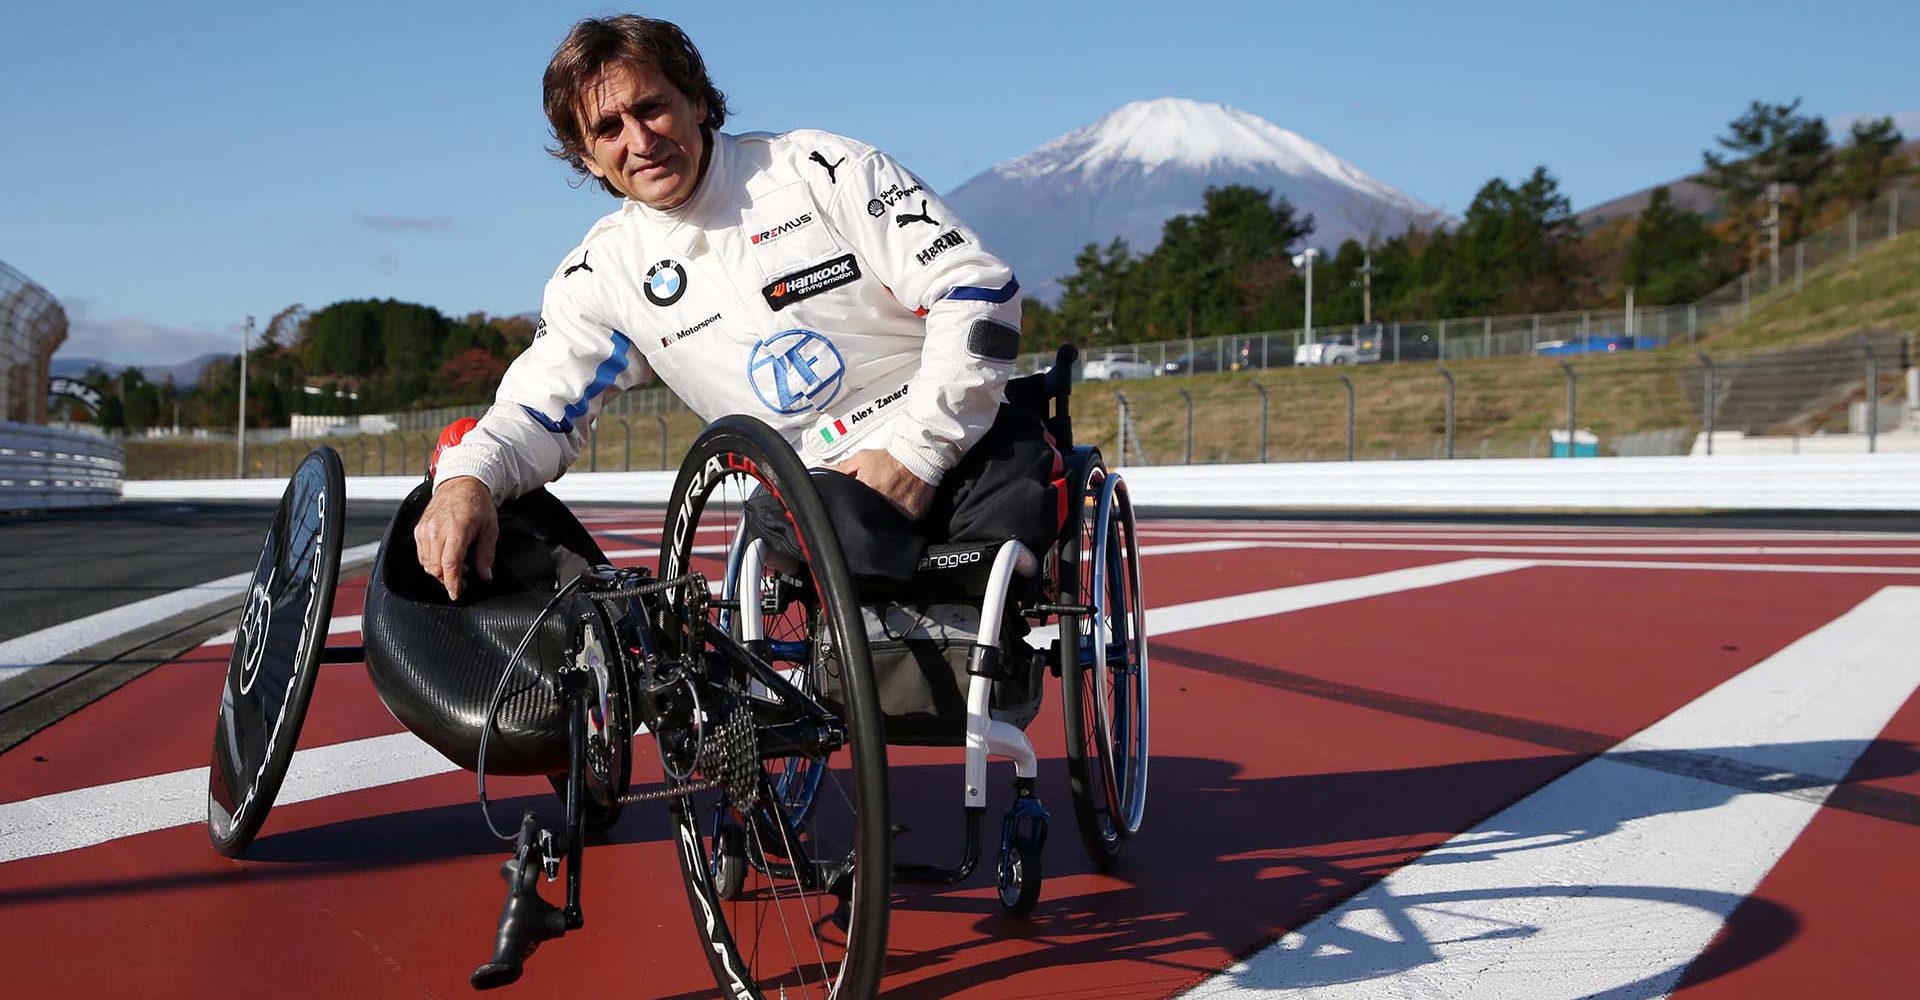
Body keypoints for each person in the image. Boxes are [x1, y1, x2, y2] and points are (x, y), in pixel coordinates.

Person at [417, 14, 1056, 599]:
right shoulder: (599, 274)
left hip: (955, 440)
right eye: (609, 129)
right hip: (814, 495)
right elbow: (535, 412)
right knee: (805, 520)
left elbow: (976, 292)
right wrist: (465, 480)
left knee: (1020, 464)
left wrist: (916, 455)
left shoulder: (817, 169)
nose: (639, 141)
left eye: (652, 108)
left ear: (697, 100)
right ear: (587, 157)